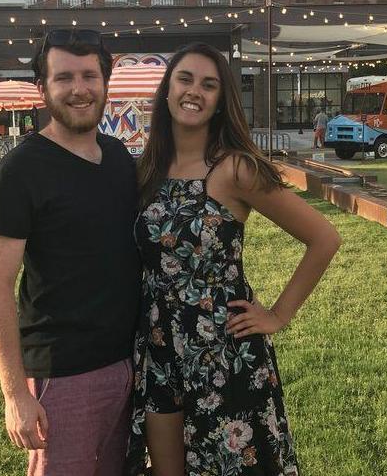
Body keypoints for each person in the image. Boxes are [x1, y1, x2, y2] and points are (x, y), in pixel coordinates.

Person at [126, 43, 342, 476]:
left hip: (224, 351)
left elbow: (324, 238)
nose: (194, 92)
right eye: (185, 79)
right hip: (157, 347)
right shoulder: (146, 168)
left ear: (221, 101)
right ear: (166, 90)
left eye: (210, 85)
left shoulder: (234, 168)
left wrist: (279, 314)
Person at [0, 28, 141, 476]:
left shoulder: (118, 158)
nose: (79, 89)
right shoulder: (19, 172)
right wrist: (14, 394)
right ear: (42, 89)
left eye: (90, 75)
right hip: (63, 376)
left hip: (131, 364)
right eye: (64, 77)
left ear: (105, 83)